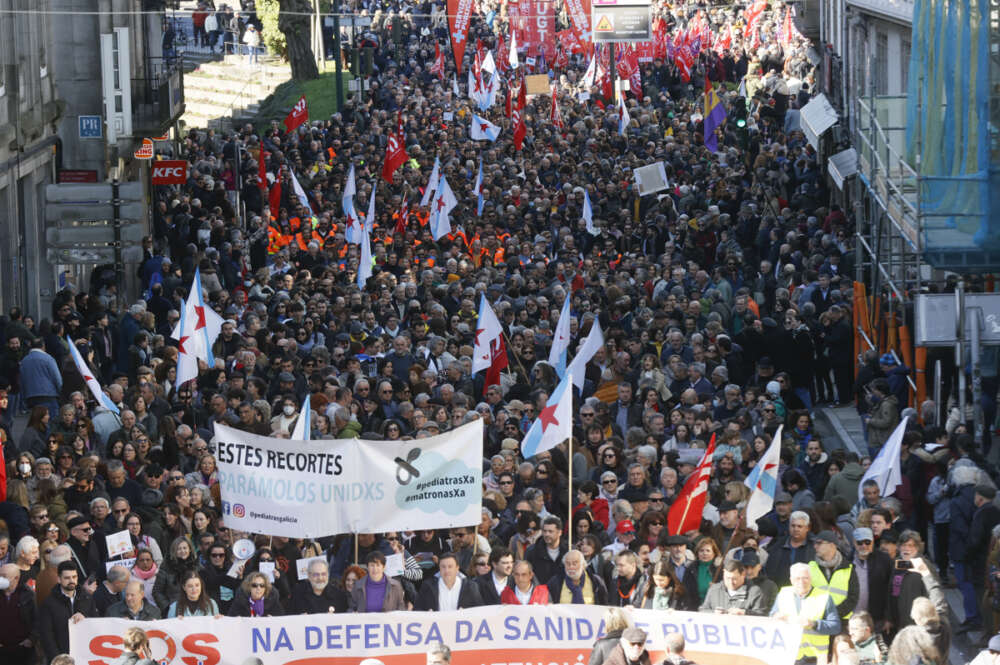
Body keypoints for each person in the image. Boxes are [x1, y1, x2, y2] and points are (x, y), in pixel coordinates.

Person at [771, 562, 842, 664]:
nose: (801, 582)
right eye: (797, 578)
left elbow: (835, 627)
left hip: (815, 658)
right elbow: (771, 618)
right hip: (789, 654)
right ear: (791, 580)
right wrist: (775, 617)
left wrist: (814, 624)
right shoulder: (783, 594)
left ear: (811, 579)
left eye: (805, 578)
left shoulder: (824, 596)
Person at [38, 561, 96, 662]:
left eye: (74, 577)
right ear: (59, 579)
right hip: (61, 657)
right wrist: (58, 660)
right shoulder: (48, 603)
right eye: (67, 578)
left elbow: (96, 623)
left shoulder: (87, 598)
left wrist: (85, 619)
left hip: (84, 655)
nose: (71, 580)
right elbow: (47, 636)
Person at [808, 529, 859, 619]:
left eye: (819, 543)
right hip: (816, 619)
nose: (815, 546)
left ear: (832, 545)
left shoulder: (849, 568)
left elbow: (853, 598)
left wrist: (834, 613)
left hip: (842, 621)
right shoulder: (810, 567)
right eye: (815, 543)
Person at [850, 527, 891, 630]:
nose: (864, 546)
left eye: (867, 542)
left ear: (873, 542)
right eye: (860, 542)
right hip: (853, 620)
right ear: (854, 543)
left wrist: (889, 617)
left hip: (877, 619)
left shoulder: (884, 560)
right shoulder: (847, 561)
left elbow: (890, 590)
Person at [415, 552, 483, 611]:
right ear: (439, 568)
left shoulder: (471, 587)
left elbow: (479, 611)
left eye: (450, 567)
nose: (446, 570)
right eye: (443, 567)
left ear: (457, 568)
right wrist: (427, 614)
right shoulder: (428, 586)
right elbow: (417, 609)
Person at [699, 559, 766, 615]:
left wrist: (744, 612)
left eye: (734, 579)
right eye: (727, 578)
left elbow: (762, 615)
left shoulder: (754, 592)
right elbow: (702, 610)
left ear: (743, 574)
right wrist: (713, 612)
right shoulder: (714, 589)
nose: (731, 582)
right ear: (724, 573)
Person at [0, 564, 35, 665]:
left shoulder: (28, 595)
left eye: (4, 576)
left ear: (16, 578)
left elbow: (37, 620)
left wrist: (31, 639)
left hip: (23, 651)